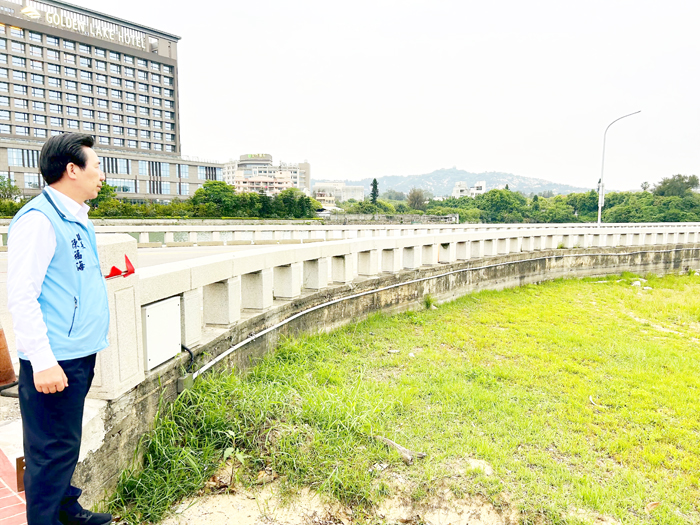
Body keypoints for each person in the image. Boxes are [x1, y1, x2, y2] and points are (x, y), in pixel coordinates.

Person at [7, 133, 112, 525]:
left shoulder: (73, 215)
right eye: (96, 165)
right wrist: (43, 361)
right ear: (72, 170)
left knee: (63, 445)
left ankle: (67, 510)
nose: (101, 174)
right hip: (55, 360)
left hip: (79, 352)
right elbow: (21, 296)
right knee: (51, 450)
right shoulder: (38, 221)